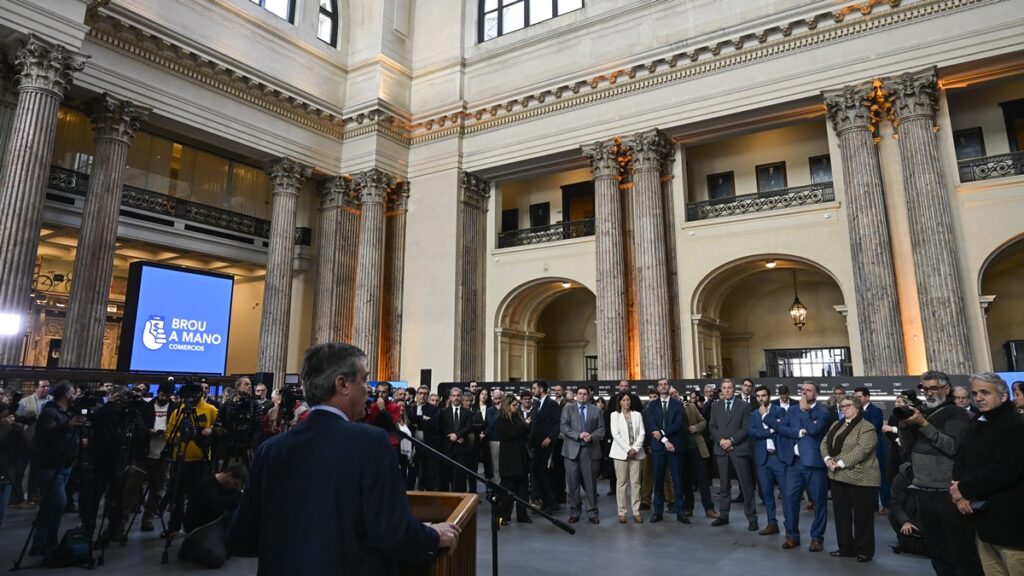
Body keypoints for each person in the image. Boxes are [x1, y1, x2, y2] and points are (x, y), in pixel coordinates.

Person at [227, 343, 459, 574]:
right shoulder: (370, 442)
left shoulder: (271, 450)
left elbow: (241, 536)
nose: (369, 390)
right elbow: (393, 532)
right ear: (343, 385)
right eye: (364, 380)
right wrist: (434, 536)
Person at [899, 370, 981, 576]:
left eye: (934, 388)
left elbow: (951, 446)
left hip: (948, 492)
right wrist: (905, 426)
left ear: (946, 389)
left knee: (960, 552)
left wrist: (923, 424)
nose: (929, 393)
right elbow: (907, 448)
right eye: (925, 389)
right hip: (923, 491)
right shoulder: (920, 412)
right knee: (936, 550)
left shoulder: (956, 414)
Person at [951, 373, 1024, 576]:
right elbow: (961, 457)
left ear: (1003, 396)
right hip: (983, 523)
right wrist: (960, 490)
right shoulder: (978, 421)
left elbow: (1006, 469)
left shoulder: (1016, 425)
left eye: (985, 392)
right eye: (975, 393)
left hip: (1012, 524)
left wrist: (964, 489)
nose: (979, 398)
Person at [28, 381, 85, 556]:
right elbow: (46, 433)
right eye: (73, 393)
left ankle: (48, 541)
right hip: (49, 465)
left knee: (52, 505)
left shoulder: (68, 411)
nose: (75, 396)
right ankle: (41, 542)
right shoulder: (50, 412)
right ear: (67, 395)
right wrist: (68, 425)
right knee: (57, 503)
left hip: (64, 464)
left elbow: (66, 435)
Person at [821, 394, 880, 563]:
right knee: (841, 516)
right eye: (842, 406)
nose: (844, 409)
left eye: (848, 405)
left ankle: (864, 551)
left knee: (862, 518)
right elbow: (824, 443)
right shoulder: (836, 424)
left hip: (861, 477)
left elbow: (862, 450)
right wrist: (827, 460)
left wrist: (839, 463)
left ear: (857, 407)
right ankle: (845, 548)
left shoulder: (867, 427)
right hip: (837, 477)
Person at [778, 381, 830, 553]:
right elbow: (781, 428)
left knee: (819, 502)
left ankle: (817, 538)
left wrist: (806, 411)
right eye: (802, 390)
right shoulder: (792, 410)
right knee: (789, 500)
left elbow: (814, 430)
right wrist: (798, 432)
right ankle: (792, 536)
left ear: (816, 393)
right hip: (794, 464)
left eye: (808, 390)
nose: (804, 393)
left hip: (814, 464)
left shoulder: (823, 412)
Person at [164, 383, 219, 537]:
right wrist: (182, 435)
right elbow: (169, 435)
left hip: (200, 459)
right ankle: (173, 527)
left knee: (196, 496)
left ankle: (193, 528)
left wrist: (211, 430)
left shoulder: (210, 409)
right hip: (180, 458)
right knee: (177, 495)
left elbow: (219, 428)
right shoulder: (179, 411)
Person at [179, 464, 247, 568]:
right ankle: (189, 547)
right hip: (200, 526)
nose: (234, 487)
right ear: (229, 475)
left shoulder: (228, 488)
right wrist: (237, 495)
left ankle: (219, 544)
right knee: (216, 559)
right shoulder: (206, 484)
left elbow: (231, 508)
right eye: (235, 484)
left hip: (216, 523)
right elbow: (217, 505)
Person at [709, 379, 756, 530]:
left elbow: (746, 428)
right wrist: (721, 441)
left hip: (738, 449)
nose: (727, 390)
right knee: (724, 485)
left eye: (729, 388)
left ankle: (752, 518)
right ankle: (723, 516)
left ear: (734, 390)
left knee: (746, 484)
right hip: (721, 450)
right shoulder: (715, 406)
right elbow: (712, 426)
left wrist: (731, 441)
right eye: (724, 388)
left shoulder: (744, 406)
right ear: (721, 390)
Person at [643, 378, 688, 524]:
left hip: (675, 446)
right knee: (658, 480)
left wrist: (662, 434)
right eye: (660, 385)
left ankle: (680, 512)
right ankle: (658, 512)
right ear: (658, 388)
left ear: (669, 387)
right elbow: (651, 425)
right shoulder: (652, 405)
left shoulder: (677, 404)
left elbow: (678, 424)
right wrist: (664, 440)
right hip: (658, 447)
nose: (663, 387)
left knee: (677, 481)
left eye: (665, 384)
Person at [560, 385, 604, 524]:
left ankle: (592, 513)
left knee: (590, 485)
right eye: (580, 393)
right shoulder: (568, 408)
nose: (582, 396)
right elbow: (563, 427)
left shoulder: (596, 410)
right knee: (573, 485)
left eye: (585, 394)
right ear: (576, 395)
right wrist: (578, 435)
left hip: (589, 451)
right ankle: (575, 512)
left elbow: (601, 429)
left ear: (589, 395)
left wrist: (591, 436)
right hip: (571, 452)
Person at [749, 385, 787, 535]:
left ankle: (790, 526)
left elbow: (781, 429)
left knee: (786, 494)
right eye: (758, 396)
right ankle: (772, 524)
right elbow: (753, 433)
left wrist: (767, 418)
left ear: (769, 396)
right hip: (762, 459)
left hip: (778, 458)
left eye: (763, 395)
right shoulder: (754, 414)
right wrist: (770, 430)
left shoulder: (779, 411)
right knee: (767, 494)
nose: (761, 398)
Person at [495, 394, 532, 524]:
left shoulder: (517, 417)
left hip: (521, 458)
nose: (517, 407)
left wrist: (526, 426)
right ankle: (503, 516)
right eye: (514, 405)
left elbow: (523, 434)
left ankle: (523, 515)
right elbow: (509, 434)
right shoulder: (501, 419)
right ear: (507, 405)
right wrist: (525, 425)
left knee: (523, 489)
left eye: (517, 405)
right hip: (509, 459)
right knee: (508, 489)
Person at [610, 393, 645, 523]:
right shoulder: (614, 415)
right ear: (620, 402)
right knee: (621, 483)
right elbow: (615, 434)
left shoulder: (637, 415)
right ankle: (622, 512)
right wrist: (628, 449)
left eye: (628, 400)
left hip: (636, 453)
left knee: (636, 483)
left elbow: (642, 433)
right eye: (624, 400)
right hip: (620, 453)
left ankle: (636, 511)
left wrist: (635, 448)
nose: (626, 402)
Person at [853, 386, 889, 514]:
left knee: (880, 477)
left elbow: (873, 427)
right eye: (855, 397)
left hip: (875, 450)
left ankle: (885, 504)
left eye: (859, 397)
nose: (856, 399)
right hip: (858, 450)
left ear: (867, 397)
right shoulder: (854, 411)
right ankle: (869, 505)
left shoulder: (876, 410)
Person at [681, 393, 716, 519]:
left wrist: (696, 427)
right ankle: (688, 507)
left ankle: (709, 508)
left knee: (703, 480)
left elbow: (703, 422)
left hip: (697, 448)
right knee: (686, 481)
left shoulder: (691, 407)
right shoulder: (672, 409)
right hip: (681, 450)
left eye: (675, 394)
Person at [528, 380, 560, 514]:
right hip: (536, 446)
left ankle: (550, 504)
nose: (532, 390)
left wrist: (550, 438)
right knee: (537, 474)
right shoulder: (536, 404)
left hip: (547, 445)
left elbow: (558, 423)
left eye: (534, 388)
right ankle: (545, 501)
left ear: (541, 389)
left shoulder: (551, 404)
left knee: (544, 475)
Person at [440, 387, 474, 492]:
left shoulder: (467, 412)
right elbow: (443, 427)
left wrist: (457, 435)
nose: (456, 398)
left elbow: (468, 427)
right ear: (450, 397)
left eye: (458, 396)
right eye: (454, 396)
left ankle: (461, 498)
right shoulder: (444, 411)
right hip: (447, 448)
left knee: (461, 477)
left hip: (462, 448)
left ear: (462, 397)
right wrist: (453, 437)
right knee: (445, 476)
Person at [408, 385, 441, 491]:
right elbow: (409, 421)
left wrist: (417, 424)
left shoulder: (433, 409)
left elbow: (433, 423)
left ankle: (428, 495)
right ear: (417, 395)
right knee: (412, 472)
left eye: (426, 394)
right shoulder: (410, 407)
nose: (423, 396)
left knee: (428, 473)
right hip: (412, 445)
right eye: (421, 393)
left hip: (428, 444)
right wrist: (422, 418)